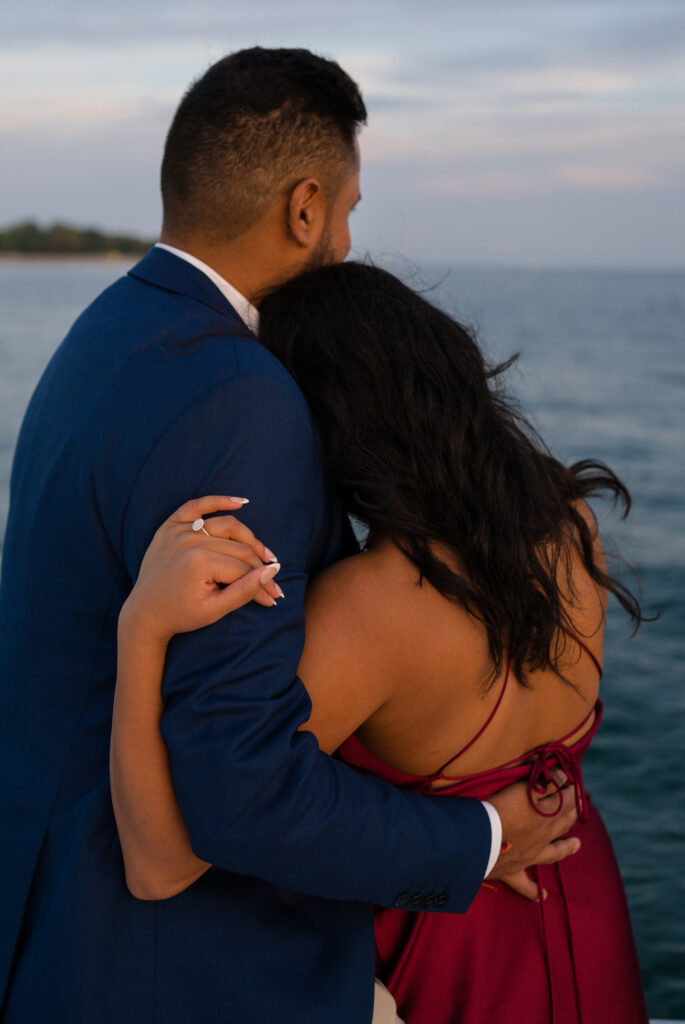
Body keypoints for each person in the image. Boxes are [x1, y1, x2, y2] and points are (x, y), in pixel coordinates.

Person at [0, 49, 579, 1024]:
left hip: (52, 924)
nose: (348, 243)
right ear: (303, 207)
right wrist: (478, 841)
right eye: (348, 209)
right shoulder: (241, 396)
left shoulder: (105, 332)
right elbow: (243, 782)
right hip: (179, 971)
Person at [110, 262, 649, 1023]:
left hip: (457, 957)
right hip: (583, 905)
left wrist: (141, 629)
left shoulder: (372, 607)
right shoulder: (570, 529)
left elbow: (162, 862)